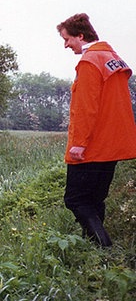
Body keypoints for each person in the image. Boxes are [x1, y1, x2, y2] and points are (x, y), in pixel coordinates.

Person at [56, 13, 136, 247]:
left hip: (92, 146)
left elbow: (86, 108)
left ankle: (104, 246)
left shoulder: (90, 62)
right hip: (110, 146)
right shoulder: (112, 58)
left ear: (81, 36)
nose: (66, 45)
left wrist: (78, 144)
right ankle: (91, 250)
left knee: (76, 200)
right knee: (95, 200)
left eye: (67, 39)